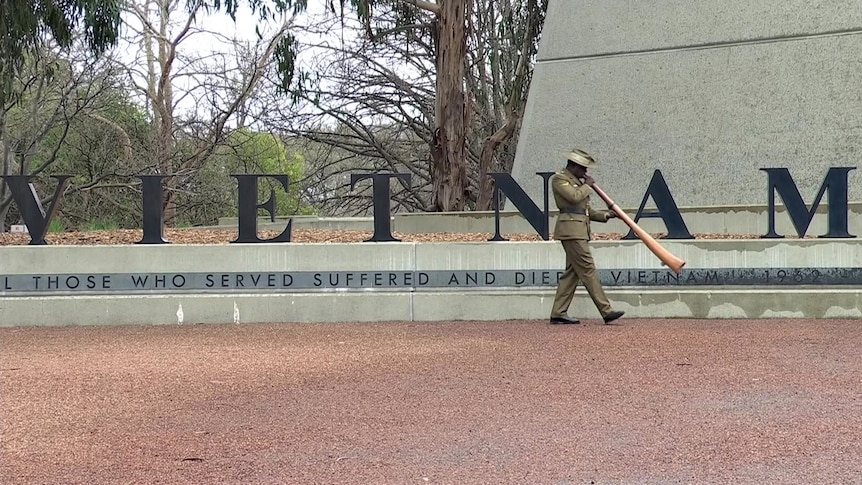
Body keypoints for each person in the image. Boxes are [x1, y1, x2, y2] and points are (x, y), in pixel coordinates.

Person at [549, 148, 625, 325]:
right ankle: (606, 311)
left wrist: (608, 215)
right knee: (588, 269)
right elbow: (574, 198)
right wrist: (588, 185)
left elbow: (586, 210)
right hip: (571, 231)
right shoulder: (560, 179)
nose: (585, 172)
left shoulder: (576, 181)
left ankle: (558, 312)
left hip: (579, 231)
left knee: (572, 273)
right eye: (583, 168)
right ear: (574, 166)